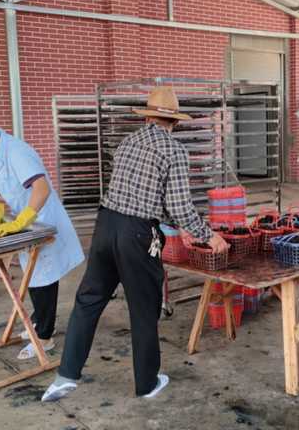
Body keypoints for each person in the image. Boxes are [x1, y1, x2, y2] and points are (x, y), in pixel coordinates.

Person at [42, 86, 229, 402]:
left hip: (106, 227)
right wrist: (207, 234)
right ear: (175, 121)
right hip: (137, 235)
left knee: (88, 300)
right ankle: (146, 383)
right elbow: (180, 204)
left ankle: (65, 376)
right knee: (143, 308)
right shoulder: (173, 151)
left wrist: (175, 226)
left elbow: (146, 195)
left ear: (148, 116)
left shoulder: (128, 142)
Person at [0, 123, 84, 359]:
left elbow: (41, 189)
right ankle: (39, 321)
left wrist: (22, 221)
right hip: (23, 223)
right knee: (32, 275)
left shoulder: (16, 153)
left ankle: (44, 338)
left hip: (42, 218)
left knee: (43, 277)